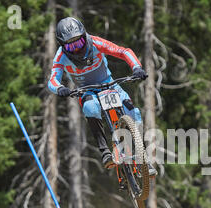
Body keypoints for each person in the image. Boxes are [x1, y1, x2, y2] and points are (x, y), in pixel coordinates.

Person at [48, 17, 156, 176]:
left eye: (79, 42)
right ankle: (105, 152)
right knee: (90, 108)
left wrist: (137, 67)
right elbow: (52, 80)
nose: (77, 49)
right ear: (62, 46)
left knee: (134, 113)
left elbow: (122, 51)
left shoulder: (95, 42)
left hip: (109, 83)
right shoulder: (60, 57)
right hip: (86, 90)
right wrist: (61, 88)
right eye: (71, 46)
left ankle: (142, 159)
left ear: (84, 36)